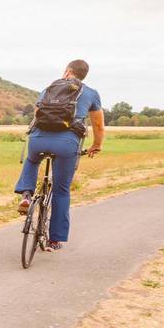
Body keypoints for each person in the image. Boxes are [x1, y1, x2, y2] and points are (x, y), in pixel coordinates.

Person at [14, 59, 104, 251]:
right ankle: (54, 240)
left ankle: (27, 195)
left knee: (32, 160)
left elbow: (37, 113)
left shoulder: (50, 88)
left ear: (68, 71)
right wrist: (96, 145)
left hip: (38, 139)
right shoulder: (91, 93)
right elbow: (98, 125)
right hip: (66, 144)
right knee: (61, 191)